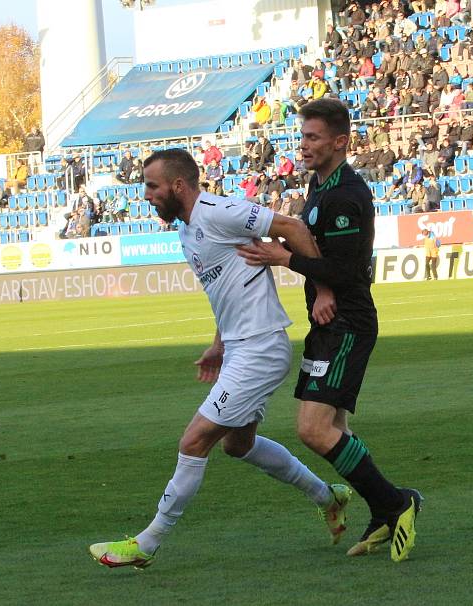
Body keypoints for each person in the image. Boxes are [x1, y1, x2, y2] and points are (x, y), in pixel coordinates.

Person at [89, 148, 352, 569]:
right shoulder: (187, 231)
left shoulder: (219, 211)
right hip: (240, 347)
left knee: (194, 441)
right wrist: (219, 341)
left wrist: (324, 289)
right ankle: (329, 496)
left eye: (152, 186)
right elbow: (226, 288)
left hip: (261, 348)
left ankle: (147, 542)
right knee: (238, 444)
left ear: (178, 186)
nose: (147, 195)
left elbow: (291, 226)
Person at [236, 99, 422, 562]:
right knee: (335, 427)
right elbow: (321, 254)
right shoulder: (320, 185)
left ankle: (397, 503)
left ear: (341, 142)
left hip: (349, 322)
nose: (304, 146)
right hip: (328, 321)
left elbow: (346, 267)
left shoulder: (345, 194)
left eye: (313, 137)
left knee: (314, 430)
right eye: (302, 137)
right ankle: (384, 510)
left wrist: (286, 259)